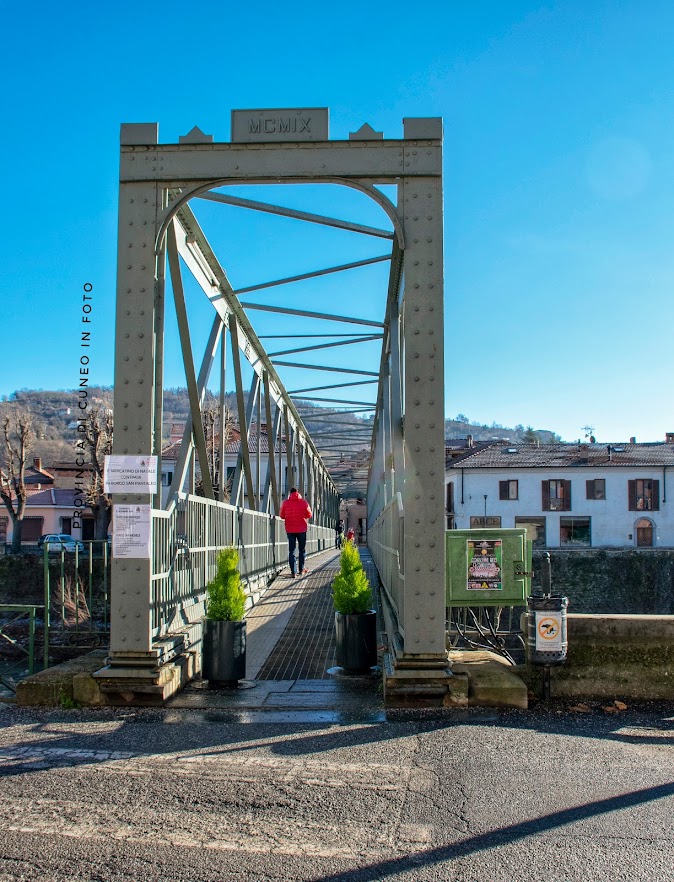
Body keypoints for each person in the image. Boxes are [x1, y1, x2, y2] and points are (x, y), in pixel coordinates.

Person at [279, 487, 312, 578]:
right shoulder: (304, 502)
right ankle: (301, 570)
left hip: (290, 529)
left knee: (292, 550)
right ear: (298, 493)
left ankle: (293, 572)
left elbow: (282, 516)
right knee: (302, 550)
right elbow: (309, 514)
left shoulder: (285, 503)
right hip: (302, 529)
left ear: (290, 493)